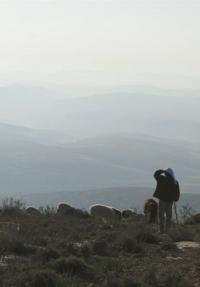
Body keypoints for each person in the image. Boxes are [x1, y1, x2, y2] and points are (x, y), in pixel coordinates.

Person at [153, 168, 180, 233]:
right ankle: (167, 231)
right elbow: (177, 192)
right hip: (170, 201)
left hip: (163, 200)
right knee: (168, 217)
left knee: (161, 216)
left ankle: (162, 230)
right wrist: (176, 199)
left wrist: (161, 170)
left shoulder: (162, 179)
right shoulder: (175, 181)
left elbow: (155, 174)